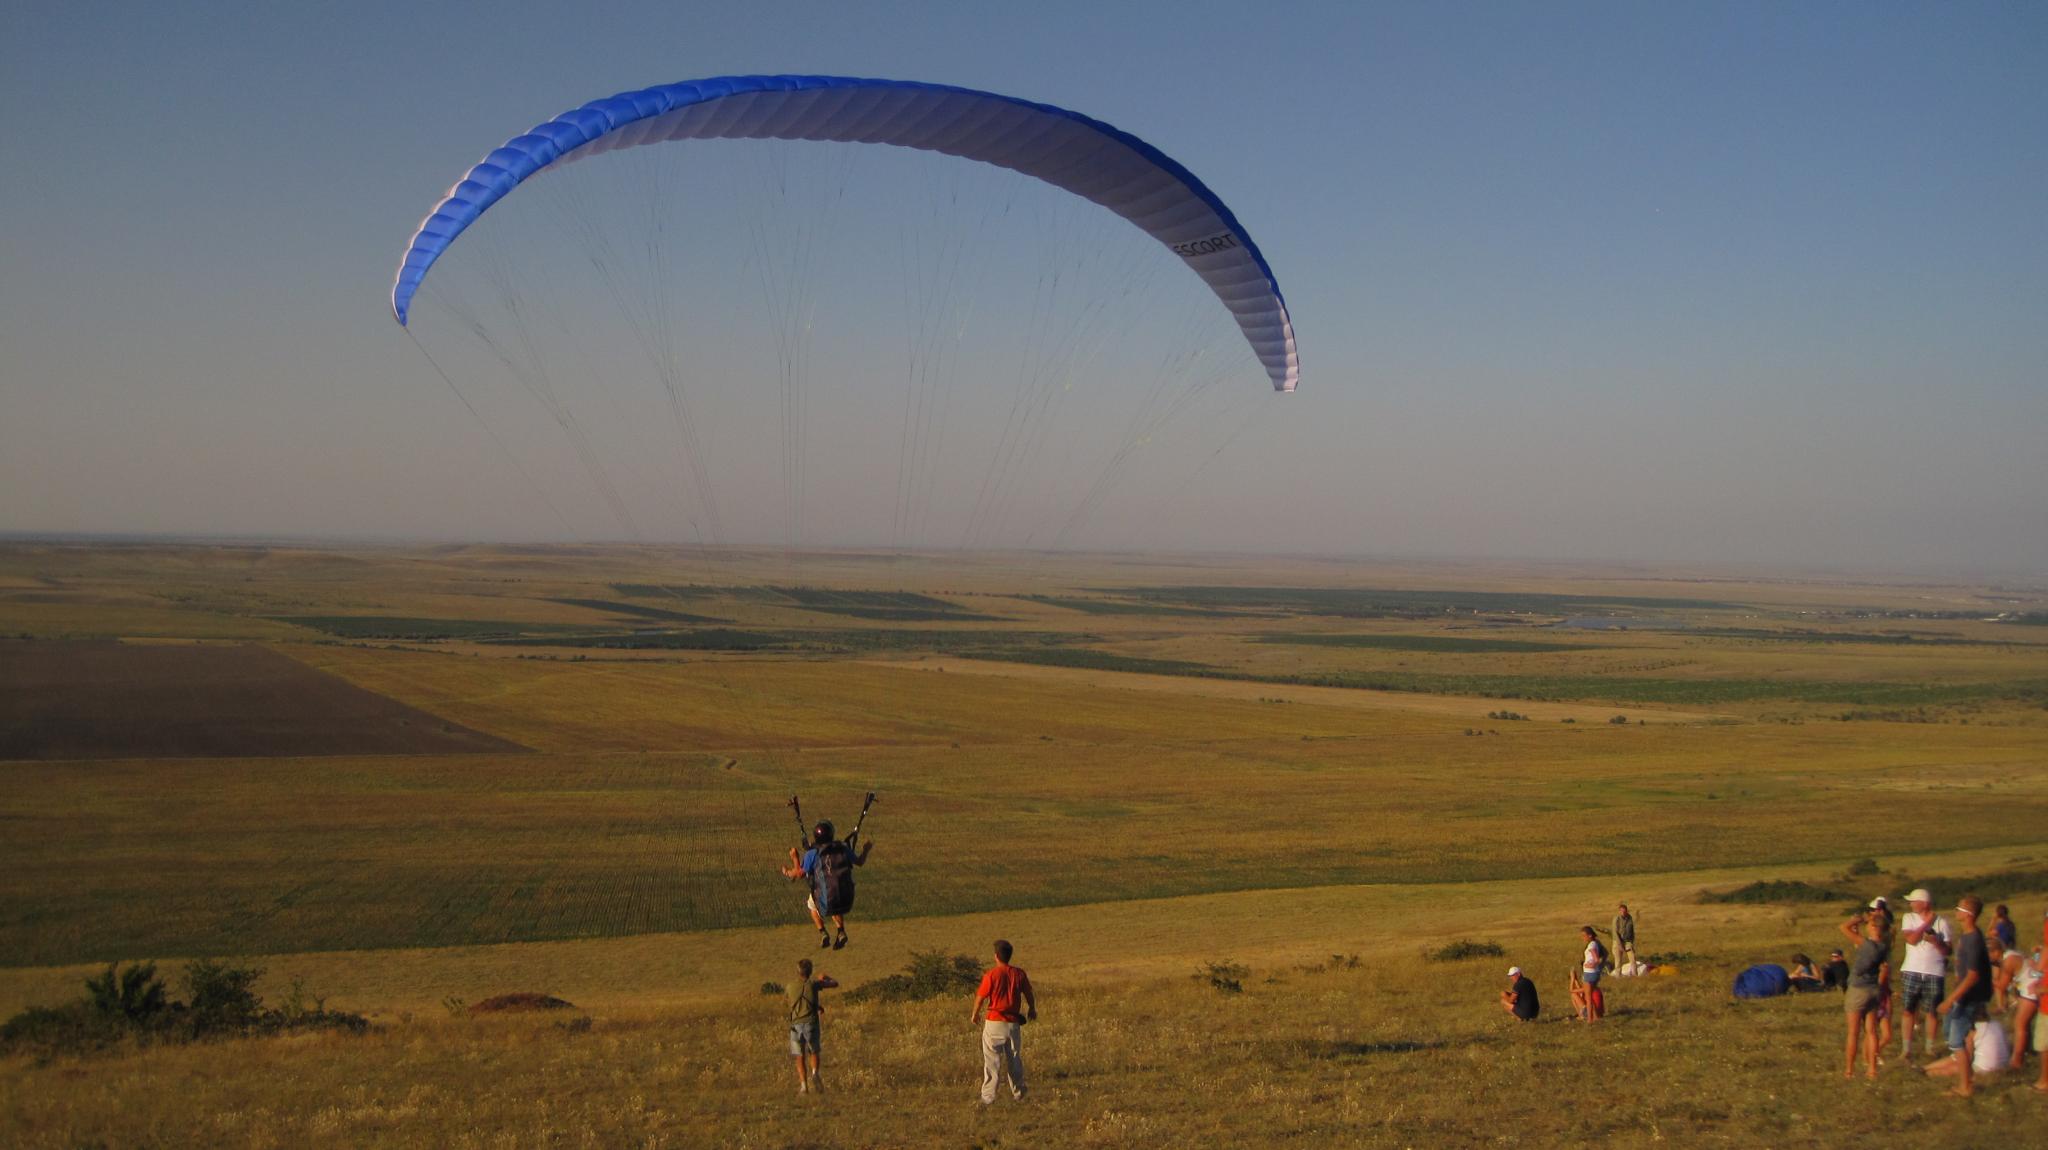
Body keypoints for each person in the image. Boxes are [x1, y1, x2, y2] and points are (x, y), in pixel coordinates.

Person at [780, 820, 872, 950]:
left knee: (812, 905)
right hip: (845, 898)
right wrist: (866, 850)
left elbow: (799, 874)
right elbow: (859, 862)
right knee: (834, 899)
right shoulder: (842, 848)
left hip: (826, 899)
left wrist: (794, 858)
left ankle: (823, 932)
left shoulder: (812, 854)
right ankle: (841, 931)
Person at [1933, 895, 1992, 1097]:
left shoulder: (1973, 939)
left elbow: (1973, 975)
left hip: (1968, 998)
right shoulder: (1967, 936)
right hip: (1964, 996)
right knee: (1952, 1034)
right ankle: (1967, 1078)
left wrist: (1950, 999)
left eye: (1959, 909)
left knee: (1957, 1041)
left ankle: (1965, 1087)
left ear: (1968, 915)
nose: (1955, 911)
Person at [972, 939, 1036, 1105]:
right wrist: (1032, 1009)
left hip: (994, 1022)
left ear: (996, 956)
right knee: (1014, 1059)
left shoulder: (991, 975)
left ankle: (988, 1098)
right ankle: (1019, 1094)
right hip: (1013, 1023)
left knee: (992, 1062)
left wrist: (975, 1014)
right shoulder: (1019, 974)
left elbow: (980, 997)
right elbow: (1028, 993)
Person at [1897, 888, 1953, 1060]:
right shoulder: (1909, 918)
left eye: (1914, 901)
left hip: (1934, 971)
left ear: (1924, 903)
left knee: (1931, 1012)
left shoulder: (1942, 922)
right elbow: (1911, 939)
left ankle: (1929, 1047)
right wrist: (1925, 924)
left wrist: (1936, 942)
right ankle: (1906, 1049)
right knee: (1908, 1010)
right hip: (1912, 969)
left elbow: (1948, 950)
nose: (1911, 904)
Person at [1842, 910, 1890, 1080]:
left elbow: (1843, 927)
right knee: (1871, 1031)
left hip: (1858, 989)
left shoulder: (1866, 944)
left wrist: (1859, 919)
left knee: (1853, 1032)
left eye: (1869, 924)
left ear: (1873, 927)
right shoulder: (1883, 946)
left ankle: (1849, 1070)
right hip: (1873, 989)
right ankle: (1872, 1069)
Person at [785, 958, 838, 1095]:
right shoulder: (814, 984)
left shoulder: (790, 986)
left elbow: (790, 1002)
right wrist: (825, 977)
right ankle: (815, 1073)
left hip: (795, 1025)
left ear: (798, 971)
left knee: (799, 1056)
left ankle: (804, 1086)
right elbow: (834, 984)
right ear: (810, 971)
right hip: (811, 1023)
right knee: (813, 1051)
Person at [2010, 913, 2042, 1076]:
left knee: (2020, 1025)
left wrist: (2033, 961)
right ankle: (2026, 1051)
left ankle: (2017, 1060)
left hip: (2034, 991)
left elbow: (2039, 971)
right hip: (2035, 990)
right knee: (2025, 1025)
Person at [1579, 926, 1608, 1021]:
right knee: (1591, 995)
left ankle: (1590, 1019)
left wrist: (1592, 964)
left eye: (1584, 935)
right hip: (1595, 973)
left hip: (1589, 973)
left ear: (1590, 935)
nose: (1583, 938)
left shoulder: (1591, 945)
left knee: (1588, 998)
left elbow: (1596, 959)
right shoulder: (1596, 943)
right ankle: (1595, 1017)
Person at [1612, 903, 1638, 970]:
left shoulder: (1630, 918)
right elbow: (1615, 932)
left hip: (1627, 942)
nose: (1623, 912)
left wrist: (1631, 941)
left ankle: (1635, 976)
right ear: (1619, 911)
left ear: (1627, 911)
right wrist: (1620, 944)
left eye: (1624, 911)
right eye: (1621, 911)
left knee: (1633, 959)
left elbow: (1632, 930)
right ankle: (1618, 978)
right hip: (1617, 942)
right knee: (1618, 962)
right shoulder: (1616, 919)